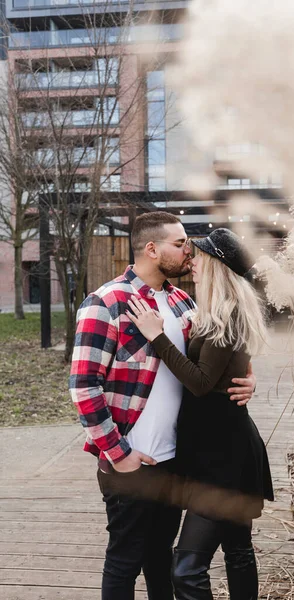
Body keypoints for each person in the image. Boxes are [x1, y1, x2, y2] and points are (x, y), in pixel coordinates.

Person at [69, 212, 257, 600]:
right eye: (179, 242)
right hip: (132, 460)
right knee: (124, 562)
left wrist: (247, 381)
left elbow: (214, 360)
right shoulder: (107, 301)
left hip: (177, 460)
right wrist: (119, 455)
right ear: (151, 249)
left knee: (161, 561)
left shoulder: (181, 300)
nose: (188, 250)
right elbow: (84, 386)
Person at [126, 227, 274, 600]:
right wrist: (248, 378)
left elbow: (201, 382)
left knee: (187, 569)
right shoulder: (210, 311)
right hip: (219, 446)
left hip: (224, 456)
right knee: (238, 551)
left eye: (200, 257)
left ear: (218, 266)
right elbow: (227, 371)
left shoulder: (229, 315)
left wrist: (156, 336)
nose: (192, 262)